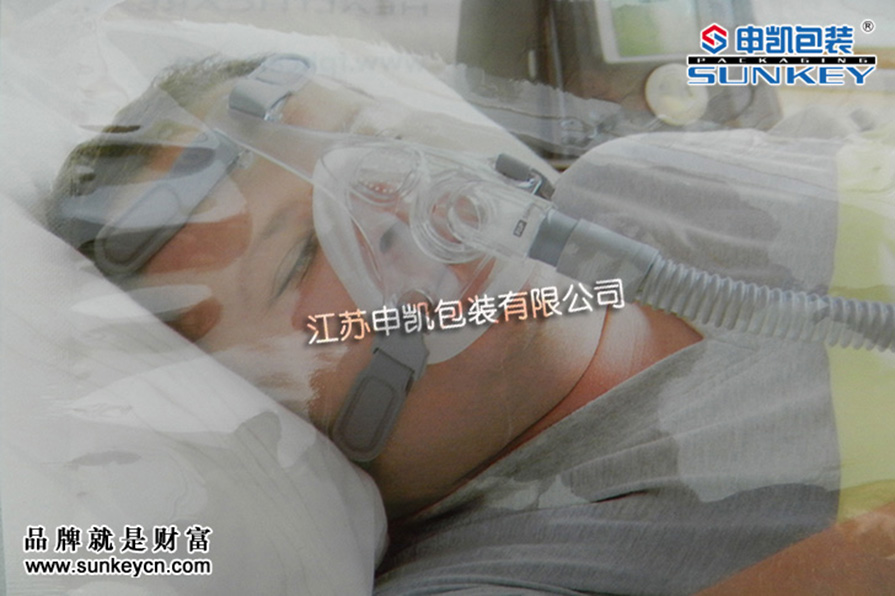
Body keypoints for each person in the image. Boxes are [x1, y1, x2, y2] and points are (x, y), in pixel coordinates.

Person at [48, 54, 893, 594]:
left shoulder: (631, 179)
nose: (396, 201)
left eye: (369, 141)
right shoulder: (512, 573)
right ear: (267, 401)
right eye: (301, 254)